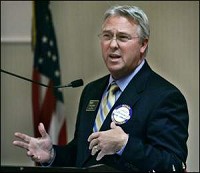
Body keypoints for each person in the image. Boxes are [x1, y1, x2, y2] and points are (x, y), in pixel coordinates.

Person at [13, 5, 189, 172]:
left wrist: (125, 146)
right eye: (107, 36)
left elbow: (173, 164)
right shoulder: (92, 90)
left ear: (143, 44)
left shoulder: (165, 96)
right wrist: (53, 154)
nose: (112, 45)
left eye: (122, 37)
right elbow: (83, 154)